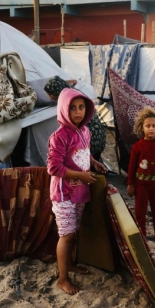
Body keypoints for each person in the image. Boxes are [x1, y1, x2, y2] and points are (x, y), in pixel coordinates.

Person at [47, 88, 107, 295]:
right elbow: (53, 168)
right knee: (67, 235)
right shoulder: (59, 136)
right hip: (64, 194)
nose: (78, 112)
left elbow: (83, 154)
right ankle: (62, 279)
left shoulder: (85, 131)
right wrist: (79, 176)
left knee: (74, 234)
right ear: (64, 109)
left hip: (80, 192)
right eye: (72, 108)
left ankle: (70, 264)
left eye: (81, 107)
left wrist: (95, 163)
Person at [126, 107, 155, 244]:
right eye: (148, 126)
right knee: (140, 213)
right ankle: (142, 236)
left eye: (154, 126)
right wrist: (130, 184)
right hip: (141, 186)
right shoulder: (137, 147)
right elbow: (132, 167)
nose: (151, 129)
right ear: (142, 127)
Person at [44, 76, 107, 162]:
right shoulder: (75, 93)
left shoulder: (68, 102)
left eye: (50, 94)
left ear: (56, 91)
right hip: (99, 134)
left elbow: (55, 167)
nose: (50, 97)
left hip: (90, 138)